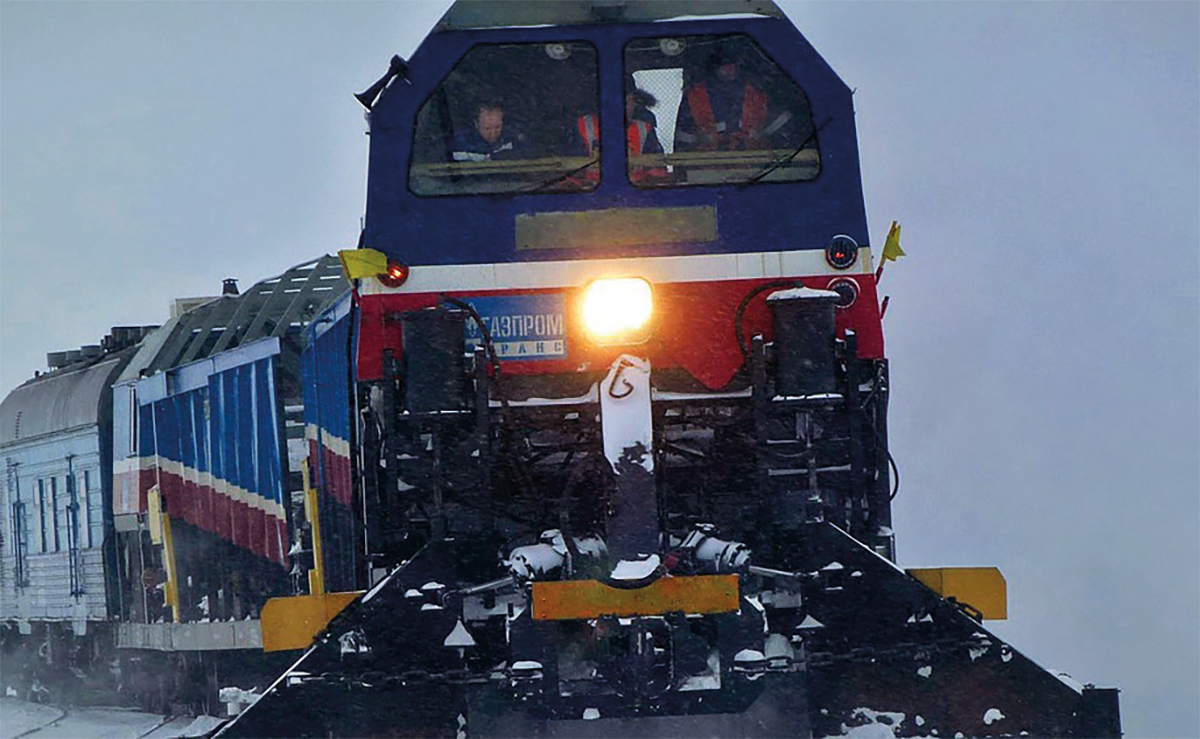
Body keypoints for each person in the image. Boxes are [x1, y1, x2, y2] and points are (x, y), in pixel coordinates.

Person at [675, 47, 790, 152]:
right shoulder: (694, 96)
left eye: (732, 64)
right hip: (706, 168)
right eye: (724, 65)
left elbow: (782, 131)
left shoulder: (758, 92)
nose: (730, 69)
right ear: (714, 68)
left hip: (758, 165)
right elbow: (682, 138)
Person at [572, 75, 664, 183]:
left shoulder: (644, 129)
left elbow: (658, 171)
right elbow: (569, 169)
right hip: (589, 193)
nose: (620, 106)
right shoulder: (583, 126)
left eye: (628, 100)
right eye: (613, 100)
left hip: (637, 192)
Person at [451, 102, 525, 162]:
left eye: (497, 127)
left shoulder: (513, 141)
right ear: (476, 124)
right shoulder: (460, 145)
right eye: (487, 129)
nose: (493, 133)